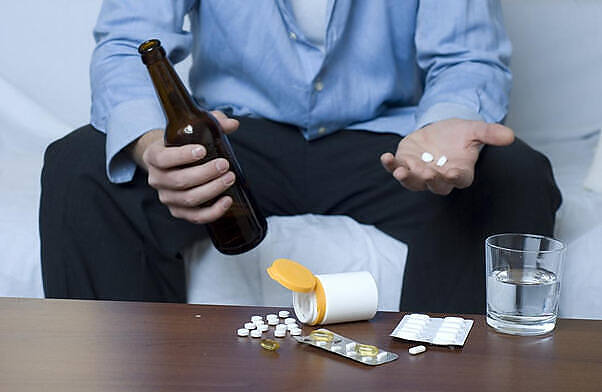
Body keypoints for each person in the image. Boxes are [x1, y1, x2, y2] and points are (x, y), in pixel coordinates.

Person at [39, 0, 561, 314]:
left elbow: (466, 56)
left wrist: (446, 125)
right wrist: (152, 144)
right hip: (243, 136)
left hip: (383, 140)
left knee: (513, 174)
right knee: (80, 165)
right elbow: (127, 42)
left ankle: (455, 380)